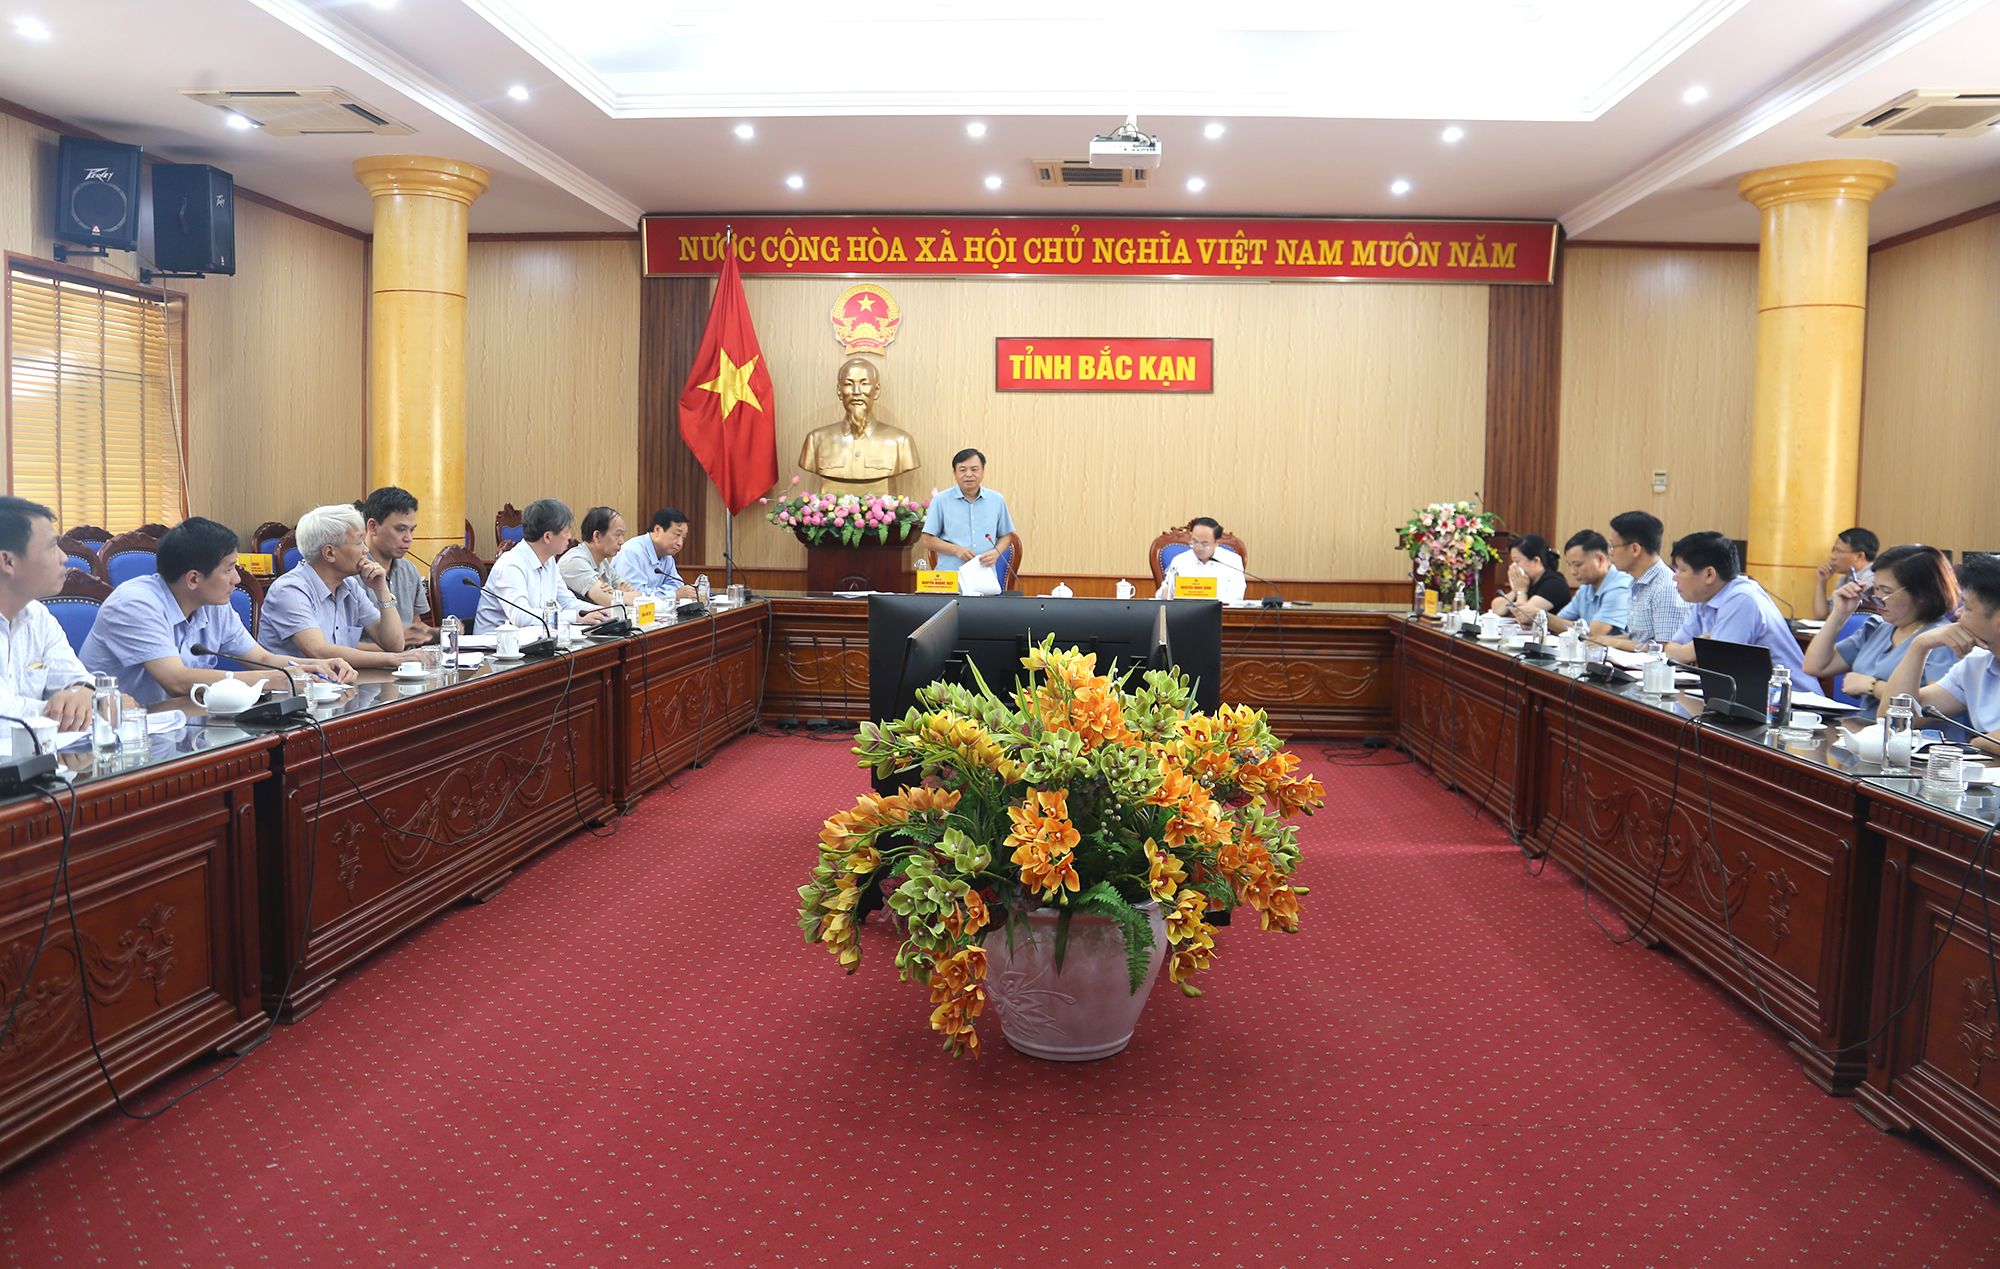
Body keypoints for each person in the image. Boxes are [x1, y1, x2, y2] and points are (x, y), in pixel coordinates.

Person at [81, 517, 355, 705]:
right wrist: (276, 680)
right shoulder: (135, 604)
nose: (237, 579)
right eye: (229, 569)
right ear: (193, 579)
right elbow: (176, 681)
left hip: (185, 722)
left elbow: (260, 658)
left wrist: (312, 667)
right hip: (120, 734)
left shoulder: (213, 603)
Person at [0, 495, 128, 730]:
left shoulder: (37, 616)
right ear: (8, 561)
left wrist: (84, 693)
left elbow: (80, 683)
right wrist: (74, 710)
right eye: (52, 547)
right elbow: (3, 716)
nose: (64, 557)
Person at [1802, 544, 1958, 720]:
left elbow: (1932, 708)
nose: (1877, 599)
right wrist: (1839, 613)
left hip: (1913, 735)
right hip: (1866, 730)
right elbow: (1815, 666)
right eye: (1875, 589)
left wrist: (1872, 686)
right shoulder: (1878, 627)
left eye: (1886, 591)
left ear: (1922, 595)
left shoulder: (1939, 639)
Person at [257, 504, 415, 669]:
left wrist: (382, 590)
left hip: (340, 681)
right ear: (329, 553)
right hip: (293, 684)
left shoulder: (350, 586)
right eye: (359, 542)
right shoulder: (289, 590)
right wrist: (392, 659)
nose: (366, 550)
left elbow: (395, 644)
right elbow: (318, 651)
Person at [1663, 530, 1821, 694]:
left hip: (1793, 701)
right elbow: (1670, 650)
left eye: (1681, 570)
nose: (1675, 577)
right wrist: (1699, 647)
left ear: (1709, 574)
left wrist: (1696, 650)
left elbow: (1719, 668)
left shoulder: (1742, 599)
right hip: (1750, 698)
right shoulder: (1704, 598)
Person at [1885, 552, 2000, 756]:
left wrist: (1978, 743)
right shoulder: (1977, 663)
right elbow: (1895, 719)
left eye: (1967, 607)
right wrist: (1920, 646)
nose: (1957, 614)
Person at [476, 499, 609, 635]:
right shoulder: (511, 564)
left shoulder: (549, 561)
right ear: (547, 537)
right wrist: (576, 616)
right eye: (567, 531)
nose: (570, 537)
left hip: (534, 639)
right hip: (493, 643)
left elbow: (567, 602)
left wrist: (602, 612)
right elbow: (521, 616)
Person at [796, 356, 921, 491]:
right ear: (839, 391)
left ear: (876, 391)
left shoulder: (901, 442)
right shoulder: (816, 440)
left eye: (864, 384)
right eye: (849, 384)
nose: (856, 392)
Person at [1592, 510, 1690, 650]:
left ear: (1635, 549)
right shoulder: (1636, 583)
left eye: (1613, 546)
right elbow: (1638, 637)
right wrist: (1600, 641)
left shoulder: (1666, 588)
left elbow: (1665, 649)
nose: (1610, 552)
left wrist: (1613, 643)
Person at [919, 448, 1016, 577]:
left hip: (984, 576)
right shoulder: (940, 501)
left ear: (983, 472)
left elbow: (1006, 535)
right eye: (963, 470)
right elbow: (927, 540)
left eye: (974, 469)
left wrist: (996, 553)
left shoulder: (997, 500)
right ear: (955, 473)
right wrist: (956, 550)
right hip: (950, 577)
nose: (969, 474)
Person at [360, 486, 433, 644]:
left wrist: (440, 633)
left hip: (409, 656)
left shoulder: (409, 569)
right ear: (373, 527)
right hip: (370, 659)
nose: (408, 538)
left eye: (411, 530)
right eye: (400, 529)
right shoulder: (350, 572)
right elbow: (340, 643)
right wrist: (398, 651)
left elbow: (416, 629)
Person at [1545, 529, 1632, 638]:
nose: (1573, 572)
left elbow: (1593, 635)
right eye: (1570, 565)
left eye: (1577, 565)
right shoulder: (1586, 588)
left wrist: (1543, 617)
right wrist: (1548, 620)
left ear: (1600, 559)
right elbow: (1560, 621)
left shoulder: (1620, 587)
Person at [560, 506, 640, 608]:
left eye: (623, 535)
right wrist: (616, 594)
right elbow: (609, 601)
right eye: (618, 535)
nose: (622, 541)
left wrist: (615, 593)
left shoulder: (603, 562)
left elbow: (638, 596)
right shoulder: (574, 561)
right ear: (597, 536)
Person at [611, 509, 697, 601]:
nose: (680, 543)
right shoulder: (631, 552)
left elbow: (677, 584)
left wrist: (667, 593)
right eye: (677, 535)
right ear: (657, 530)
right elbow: (635, 595)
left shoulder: (667, 556)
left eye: (683, 538)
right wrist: (673, 594)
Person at [1155, 517, 1247, 603]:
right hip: (1185, 612)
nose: (1198, 548)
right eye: (1194, 542)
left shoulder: (1232, 561)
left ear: (1217, 542)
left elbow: (1237, 596)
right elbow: (1161, 594)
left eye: (1204, 544)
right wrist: (1166, 593)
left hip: (1219, 612)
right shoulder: (1180, 560)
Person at [1486, 534, 1570, 618]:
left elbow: (1524, 616)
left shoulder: (1554, 584)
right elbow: (1496, 610)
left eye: (1517, 561)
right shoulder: (1526, 581)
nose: (1513, 566)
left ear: (1536, 561)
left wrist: (1521, 592)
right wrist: (1515, 590)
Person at [1811, 527, 1879, 620]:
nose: (1832, 557)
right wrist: (1821, 582)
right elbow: (1821, 616)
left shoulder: (1872, 580)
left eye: (1838, 551)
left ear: (1859, 556)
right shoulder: (1845, 579)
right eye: (1833, 551)